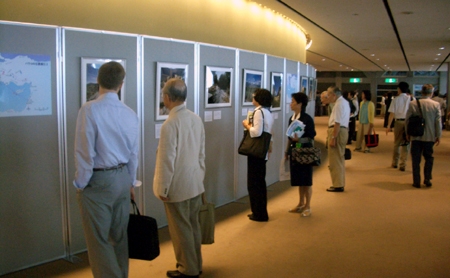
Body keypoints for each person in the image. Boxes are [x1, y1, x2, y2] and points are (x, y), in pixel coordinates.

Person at [74, 61, 139, 278]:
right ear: (121, 84)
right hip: (122, 179)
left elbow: (84, 153)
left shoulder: (89, 109)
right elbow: (133, 154)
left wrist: (81, 184)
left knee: (99, 241)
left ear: (98, 81)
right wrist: (131, 182)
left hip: (98, 181)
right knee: (120, 237)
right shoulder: (130, 113)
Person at [153, 78, 205, 278]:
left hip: (177, 186)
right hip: (194, 183)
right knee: (193, 226)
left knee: (180, 229)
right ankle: (196, 264)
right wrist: (200, 177)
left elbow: (166, 161)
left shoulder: (170, 124)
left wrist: (162, 188)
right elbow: (202, 153)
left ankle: (187, 269)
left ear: (167, 98)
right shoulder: (195, 118)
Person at [241, 88, 274, 222]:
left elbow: (256, 132)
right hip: (262, 151)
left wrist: (246, 125)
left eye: (254, 96)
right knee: (259, 182)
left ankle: (259, 213)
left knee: (254, 183)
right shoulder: (267, 112)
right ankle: (259, 211)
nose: (252, 98)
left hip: (256, 152)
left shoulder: (258, 112)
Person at [285, 92, 316, 216]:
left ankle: (308, 206)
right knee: (298, 178)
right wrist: (287, 151)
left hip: (305, 151)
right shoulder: (292, 118)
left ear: (300, 104)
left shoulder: (307, 119)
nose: (291, 104)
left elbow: (312, 137)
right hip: (295, 150)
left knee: (306, 180)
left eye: (293, 101)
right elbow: (289, 137)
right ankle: (300, 203)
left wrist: (300, 140)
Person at [405, 84, 441, 188]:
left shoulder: (413, 103)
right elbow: (438, 122)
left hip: (416, 136)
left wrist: (407, 133)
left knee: (416, 159)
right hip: (429, 136)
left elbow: (408, 120)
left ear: (422, 92)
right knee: (429, 157)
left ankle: (416, 181)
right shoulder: (435, 105)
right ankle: (427, 178)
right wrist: (438, 135)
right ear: (431, 92)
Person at [326, 86, 350, 192]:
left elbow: (337, 122)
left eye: (329, 95)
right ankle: (339, 183)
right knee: (339, 158)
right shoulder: (343, 102)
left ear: (334, 95)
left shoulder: (339, 104)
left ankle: (338, 185)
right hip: (342, 131)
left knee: (335, 160)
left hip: (338, 132)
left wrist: (333, 137)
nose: (328, 97)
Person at [386, 81, 411, 171]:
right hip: (408, 122)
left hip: (398, 122)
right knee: (406, 143)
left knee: (397, 143)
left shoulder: (395, 99)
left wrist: (389, 125)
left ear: (399, 89)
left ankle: (395, 163)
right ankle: (403, 164)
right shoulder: (412, 99)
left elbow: (392, 114)